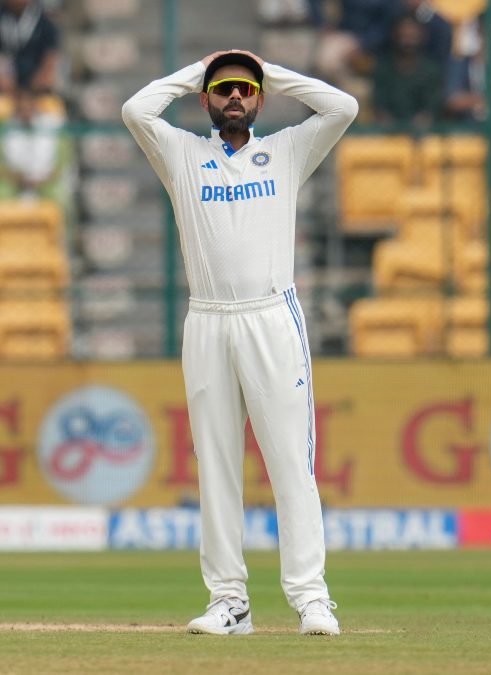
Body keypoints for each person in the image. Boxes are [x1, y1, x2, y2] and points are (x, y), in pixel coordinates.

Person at [122, 49, 358, 636]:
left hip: (271, 317)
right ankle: (230, 601)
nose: (235, 98)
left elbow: (342, 106)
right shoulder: (181, 153)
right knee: (217, 465)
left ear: (259, 99)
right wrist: (201, 67)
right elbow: (135, 108)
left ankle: (311, 598)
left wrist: (266, 70)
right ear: (205, 99)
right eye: (223, 89)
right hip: (207, 321)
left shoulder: (284, 151)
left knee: (289, 464)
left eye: (245, 90)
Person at [371, 12, 444, 130]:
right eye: (404, 36)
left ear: (422, 37)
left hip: (425, 137)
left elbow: (433, 107)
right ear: (395, 36)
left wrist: (422, 121)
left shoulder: (431, 70)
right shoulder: (383, 68)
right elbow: (379, 105)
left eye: (412, 37)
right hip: (387, 135)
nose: (408, 42)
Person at [0, 86, 62, 202]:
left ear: (35, 105)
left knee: (58, 197)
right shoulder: (5, 128)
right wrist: (18, 179)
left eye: (28, 105)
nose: (25, 109)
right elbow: (1, 166)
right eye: (22, 106)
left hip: (45, 180)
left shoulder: (52, 124)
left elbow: (62, 164)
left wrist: (41, 180)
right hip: (14, 180)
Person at [0, 0, 59, 94]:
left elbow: (51, 55)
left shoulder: (43, 20)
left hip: (35, 89)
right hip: (5, 88)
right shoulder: (3, 16)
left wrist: (41, 80)